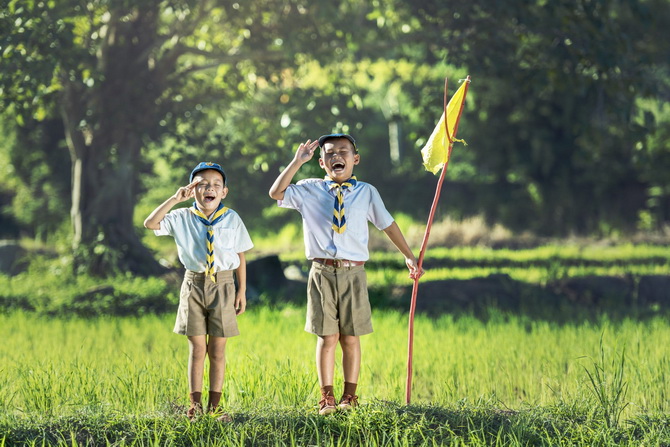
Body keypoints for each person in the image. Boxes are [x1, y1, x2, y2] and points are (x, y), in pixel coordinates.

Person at [269, 133, 423, 415]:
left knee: (350, 337)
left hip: (354, 273)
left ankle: (349, 397)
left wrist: (409, 255)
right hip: (322, 272)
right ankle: (326, 397)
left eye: (343, 151)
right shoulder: (308, 188)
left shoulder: (366, 192)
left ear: (355, 159)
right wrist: (295, 162)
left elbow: (387, 224)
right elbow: (276, 193)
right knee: (327, 337)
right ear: (321, 161)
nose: (336, 156)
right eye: (329, 153)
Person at [144, 162, 253, 421]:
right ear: (192, 189)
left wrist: (242, 290)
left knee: (217, 349)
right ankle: (195, 406)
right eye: (202, 184)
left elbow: (240, 254)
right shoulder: (181, 216)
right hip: (193, 283)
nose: (209, 188)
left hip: (225, 285)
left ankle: (215, 406)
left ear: (224, 192)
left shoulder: (232, 218)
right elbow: (150, 223)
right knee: (196, 348)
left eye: (216, 185)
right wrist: (174, 198)